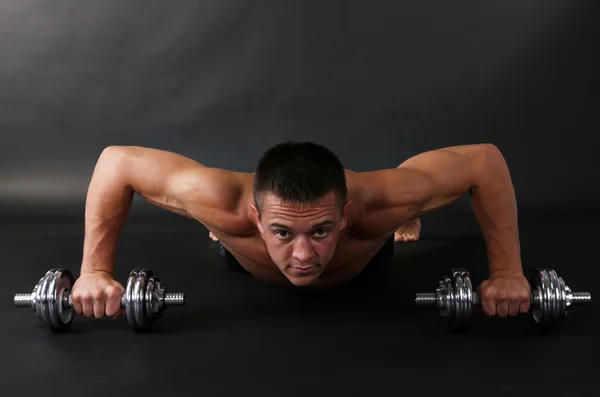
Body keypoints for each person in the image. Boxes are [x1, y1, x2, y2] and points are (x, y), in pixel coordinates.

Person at [71, 141, 531, 320]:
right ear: (256, 219)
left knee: (401, 198)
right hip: (241, 246)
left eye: (322, 230)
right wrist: (93, 271)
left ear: (345, 216)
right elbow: (117, 162)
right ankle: (226, 237)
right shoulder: (224, 203)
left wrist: (509, 272)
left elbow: (484, 161)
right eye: (283, 233)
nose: (305, 255)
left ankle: (402, 220)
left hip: (365, 261)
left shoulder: (372, 207)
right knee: (218, 223)